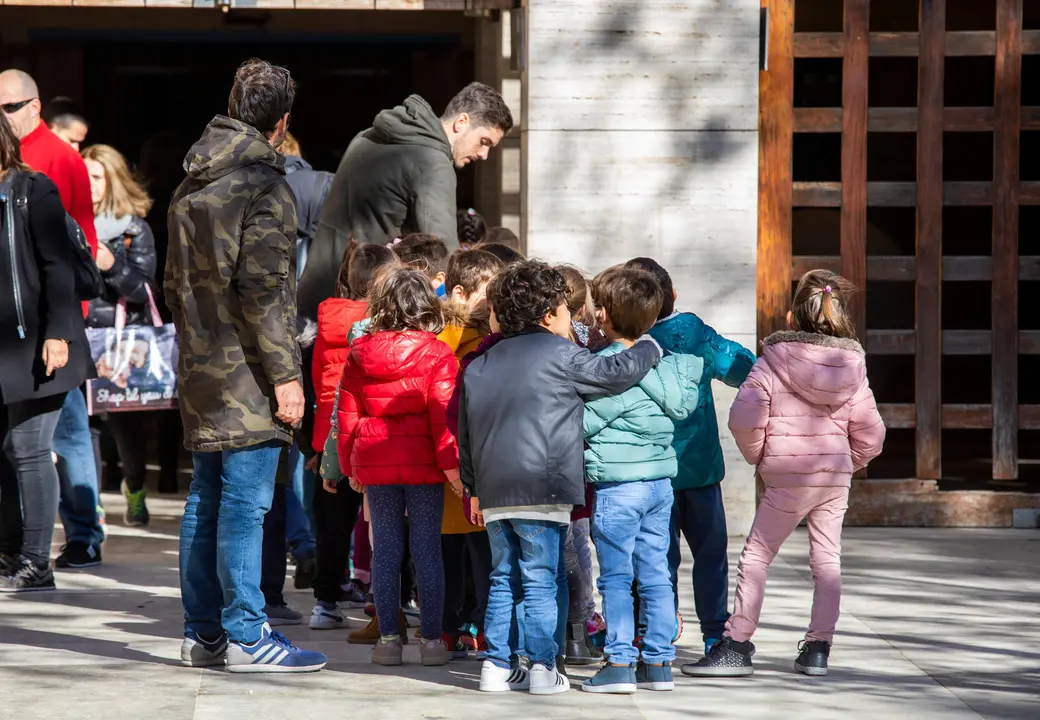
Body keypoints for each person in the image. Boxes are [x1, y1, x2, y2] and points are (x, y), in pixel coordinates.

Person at [165, 58, 326, 673]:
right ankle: (247, 634)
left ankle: (204, 634)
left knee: (208, 499)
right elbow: (263, 292)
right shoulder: (264, 185)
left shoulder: (190, 183)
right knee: (245, 504)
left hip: (202, 366)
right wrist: (287, 377)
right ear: (283, 122)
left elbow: (174, 284)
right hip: (250, 373)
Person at [457, 260, 663, 695]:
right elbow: (613, 375)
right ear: (549, 314)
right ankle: (542, 668)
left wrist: (474, 489)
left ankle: (496, 665)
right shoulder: (562, 353)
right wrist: (648, 348)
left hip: (495, 489)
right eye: (568, 311)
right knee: (539, 578)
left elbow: (466, 433)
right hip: (544, 486)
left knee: (501, 578)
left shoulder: (479, 364)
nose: (572, 319)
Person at [683, 270, 886, 679]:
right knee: (827, 561)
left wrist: (761, 457)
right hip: (832, 478)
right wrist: (848, 462)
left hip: (785, 477)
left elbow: (744, 419)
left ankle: (737, 644)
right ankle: (817, 649)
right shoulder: (853, 365)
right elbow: (873, 433)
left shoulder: (772, 361)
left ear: (792, 318)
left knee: (757, 555)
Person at [579, 266, 701, 694]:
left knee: (615, 577)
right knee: (655, 574)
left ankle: (618, 661)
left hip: (618, 486)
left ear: (605, 315)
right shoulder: (666, 365)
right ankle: (659, 662)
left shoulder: (605, 368)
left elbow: (585, 422)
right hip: (659, 484)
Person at [627, 257, 757, 655]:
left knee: (653, 559)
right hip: (699, 470)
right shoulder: (695, 333)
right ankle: (715, 632)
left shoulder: (624, 340)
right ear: (674, 295)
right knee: (710, 554)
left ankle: (653, 628)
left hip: (648, 471)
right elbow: (743, 368)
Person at [298, 82, 513, 321]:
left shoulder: (367, 137)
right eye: (484, 141)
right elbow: (444, 253)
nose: (484, 155)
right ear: (461, 122)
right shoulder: (432, 162)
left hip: (317, 297)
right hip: (361, 312)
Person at [1, 69, 102, 573]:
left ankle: (81, 535)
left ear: (34, 107)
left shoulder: (55, 163)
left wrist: (62, 328)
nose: (4, 118)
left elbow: (73, 248)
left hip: (50, 334)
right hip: (15, 335)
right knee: (20, 446)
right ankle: (18, 546)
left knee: (60, 439)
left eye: (9, 107)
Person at [334, 266, 459, 668]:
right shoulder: (438, 352)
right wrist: (453, 469)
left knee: (384, 552)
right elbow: (444, 418)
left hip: (375, 463)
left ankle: (388, 640)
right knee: (427, 551)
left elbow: (347, 414)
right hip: (425, 465)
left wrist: (349, 465)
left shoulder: (359, 352)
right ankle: (432, 642)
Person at [308, 241, 398, 632]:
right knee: (385, 524)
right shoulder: (386, 323)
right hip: (372, 433)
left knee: (332, 524)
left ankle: (325, 601)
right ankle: (389, 599)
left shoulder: (326, 321)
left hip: (327, 435)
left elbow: (317, 382)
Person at [81, 144, 158, 532]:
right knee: (85, 427)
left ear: (112, 180)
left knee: (125, 428)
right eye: (84, 175)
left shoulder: (132, 229)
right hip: (78, 338)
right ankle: (88, 501)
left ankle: (136, 487)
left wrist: (111, 266)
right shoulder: (66, 222)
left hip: (119, 342)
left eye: (96, 176)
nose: (88, 183)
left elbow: (145, 292)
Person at [436, 248, 503, 658]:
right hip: (459, 465)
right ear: (460, 293)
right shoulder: (447, 340)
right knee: (461, 558)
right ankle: (455, 625)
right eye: (487, 292)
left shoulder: (489, 340)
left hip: (468, 466)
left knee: (478, 558)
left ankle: (469, 625)